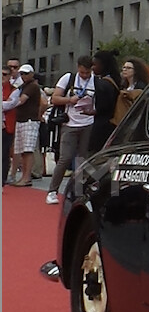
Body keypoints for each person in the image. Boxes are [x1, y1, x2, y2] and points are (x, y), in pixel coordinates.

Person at [46, 55, 97, 204]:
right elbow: (55, 98)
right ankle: (52, 191)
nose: (85, 75)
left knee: (82, 159)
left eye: (87, 73)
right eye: (82, 72)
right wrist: (70, 100)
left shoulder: (96, 81)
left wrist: (92, 110)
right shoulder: (68, 78)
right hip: (70, 123)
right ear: (77, 68)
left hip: (88, 123)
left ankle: (78, 192)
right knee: (65, 158)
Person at [11, 70, 43, 187]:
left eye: (26, 73)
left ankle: (26, 177)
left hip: (29, 121)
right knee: (22, 150)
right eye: (22, 74)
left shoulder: (32, 86)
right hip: (22, 120)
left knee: (28, 150)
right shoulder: (23, 86)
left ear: (32, 74)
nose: (23, 76)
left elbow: (21, 100)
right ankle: (24, 177)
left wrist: (7, 104)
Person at [88, 51, 121, 154]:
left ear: (103, 65)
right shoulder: (116, 80)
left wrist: (92, 111)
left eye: (95, 64)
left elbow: (103, 106)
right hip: (113, 123)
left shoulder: (103, 84)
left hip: (102, 126)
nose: (92, 68)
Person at [112, 57, 149, 129]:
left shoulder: (141, 86)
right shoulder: (123, 85)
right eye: (124, 67)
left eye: (129, 68)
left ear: (136, 71)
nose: (125, 70)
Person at [3, 60, 23, 185]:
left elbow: (10, 104)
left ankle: (3, 178)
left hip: (7, 125)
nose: (2, 77)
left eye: (5, 74)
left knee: (4, 153)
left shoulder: (14, 89)